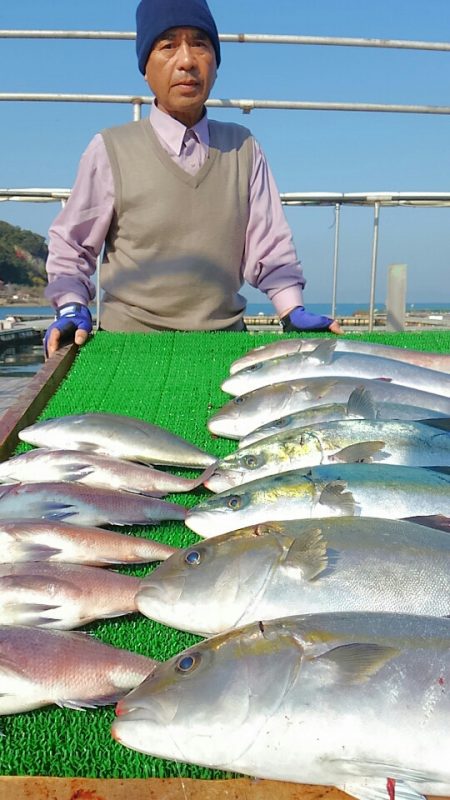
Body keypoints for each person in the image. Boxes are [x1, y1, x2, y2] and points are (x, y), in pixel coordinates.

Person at [44, 0, 343, 357]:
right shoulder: (110, 148)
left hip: (224, 343)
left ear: (215, 63)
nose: (186, 60)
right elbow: (73, 245)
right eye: (168, 45)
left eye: (200, 43)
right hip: (128, 344)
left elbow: (269, 243)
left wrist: (291, 308)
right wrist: (70, 305)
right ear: (145, 67)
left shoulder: (243, 146)